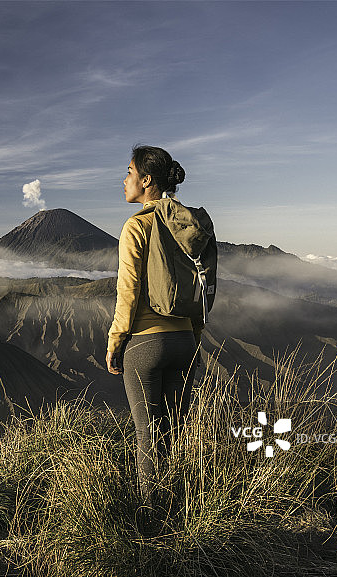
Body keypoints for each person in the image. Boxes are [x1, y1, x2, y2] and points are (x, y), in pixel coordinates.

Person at [106, 145, 200, 503]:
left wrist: (116, 340)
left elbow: (127, 291)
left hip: (146, 344)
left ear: (146, 181)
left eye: (129, 172)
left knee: (149, 439)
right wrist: (194, 337)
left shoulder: (137, 226)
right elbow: (201, 285)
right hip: (185, 342)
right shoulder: (186, 226)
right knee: (175, 437)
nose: (124, 179)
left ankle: (153, 521)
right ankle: (185, 513)